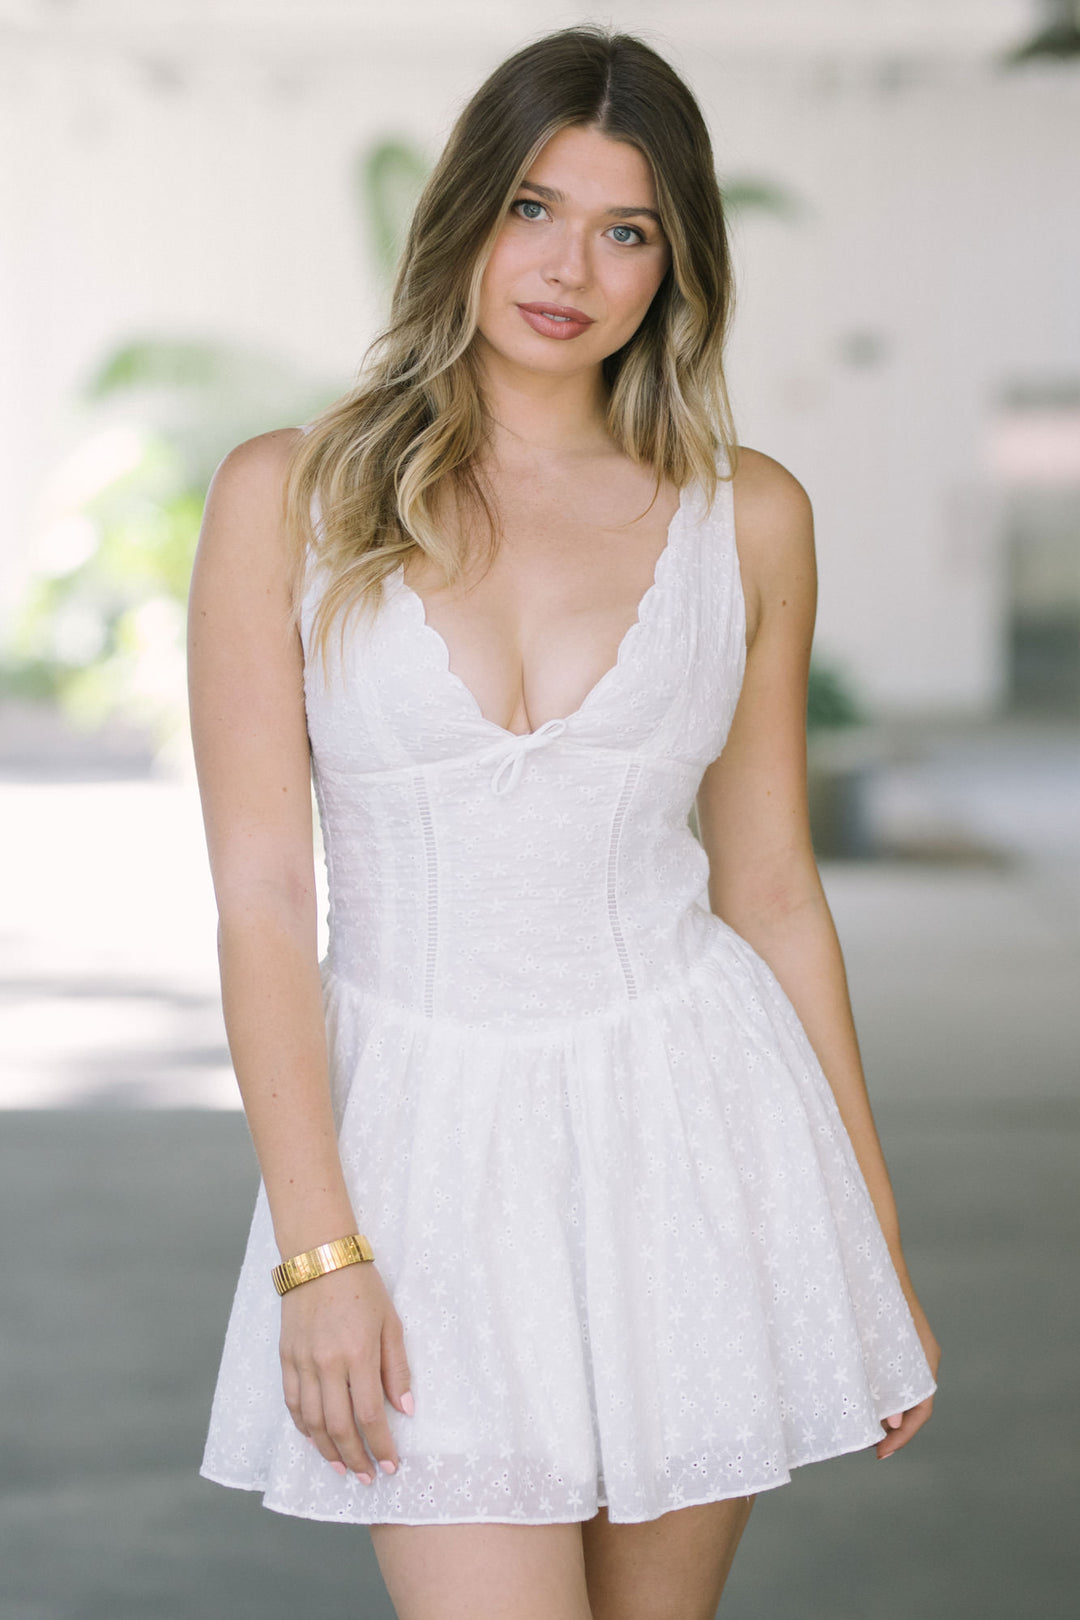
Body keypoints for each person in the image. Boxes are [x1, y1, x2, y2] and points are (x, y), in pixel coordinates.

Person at [187, 24, 940, 1620]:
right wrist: (320, 1252)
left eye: (627, 230)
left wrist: (867, 1229)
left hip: (693, 1130)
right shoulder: (288, 496)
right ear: (464, 211)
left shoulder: (750, 517)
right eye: (534, 207)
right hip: (418, 1158)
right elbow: (261, 893)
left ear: (676, 265)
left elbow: (773, 890)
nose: (569, 269)